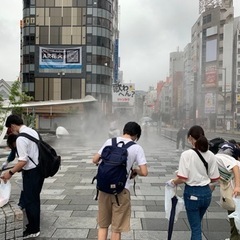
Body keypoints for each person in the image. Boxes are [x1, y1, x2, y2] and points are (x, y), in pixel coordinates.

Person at [92, 121, 148, 240]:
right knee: (116, 229)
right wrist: (135, 171)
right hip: (122, 190)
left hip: (104, 188)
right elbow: (144, 172)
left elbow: (95, 159)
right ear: (136, 135)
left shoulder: (110, 142)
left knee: (103, 225)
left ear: (124, 131)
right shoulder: (136, 148)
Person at [167, 125, 220, 240]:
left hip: (192, 194)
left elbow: (182, 178)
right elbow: (215, 179)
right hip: (206, 194)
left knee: (196, 229)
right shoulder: (211, 155)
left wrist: (172, 182)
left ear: (190, 137)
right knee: (196, 226)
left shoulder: (186, 155)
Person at [0, 114, 44, 239]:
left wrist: (10, 172)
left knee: (31, 202)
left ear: (13, 125)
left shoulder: (20, 138)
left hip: (31, 173)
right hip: (39, 170)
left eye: (9, 129)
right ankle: (33, 227)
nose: (10, 131)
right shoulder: (32, 131)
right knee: (34, 200)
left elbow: (23, 161)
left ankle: (33, 229)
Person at [215, 141, 240, 240]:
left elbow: (235, 167)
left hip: (235, 188)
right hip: (232, 190)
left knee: (235, 214)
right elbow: (212, 182)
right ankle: (234, 237)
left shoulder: (217, 158)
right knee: (233, 213)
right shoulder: (214, 162)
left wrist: (238, 186)